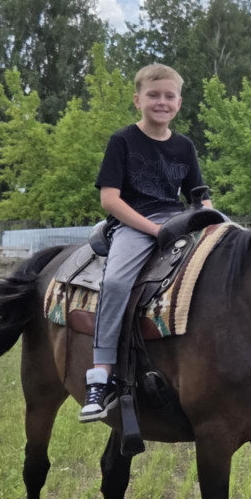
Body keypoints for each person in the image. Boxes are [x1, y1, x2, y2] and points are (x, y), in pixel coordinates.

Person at [81, 63, 216, 423]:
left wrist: (213, 218)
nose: (162, 102)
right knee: (116, 282)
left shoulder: (184, 146)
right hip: (135, 224)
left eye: (169, 96)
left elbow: (198, 195)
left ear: (179, 102)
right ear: (137, 99)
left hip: (178, 220)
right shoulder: (123, 141)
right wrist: (155, 232)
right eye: (153, 95)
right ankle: (101, 376)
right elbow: (110, 200)